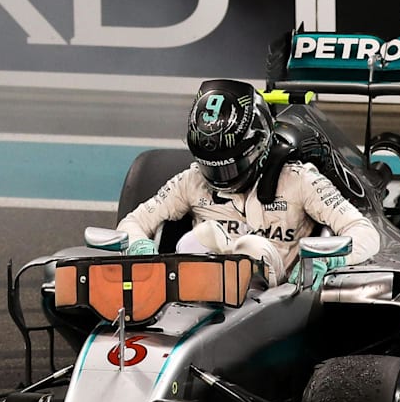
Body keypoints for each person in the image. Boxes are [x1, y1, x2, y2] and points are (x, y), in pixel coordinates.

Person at [116, 79, 380, 286]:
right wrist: (139, 246)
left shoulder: (299, 180)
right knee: (198, 240)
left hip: (274, 299)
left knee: (253, 249)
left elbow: (365, 233)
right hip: (196, 293)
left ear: (258, 147)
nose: (220, 177)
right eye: (210, 165)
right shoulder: (192, 180)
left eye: (230, 165)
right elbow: (132, 223)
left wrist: (331, 259)